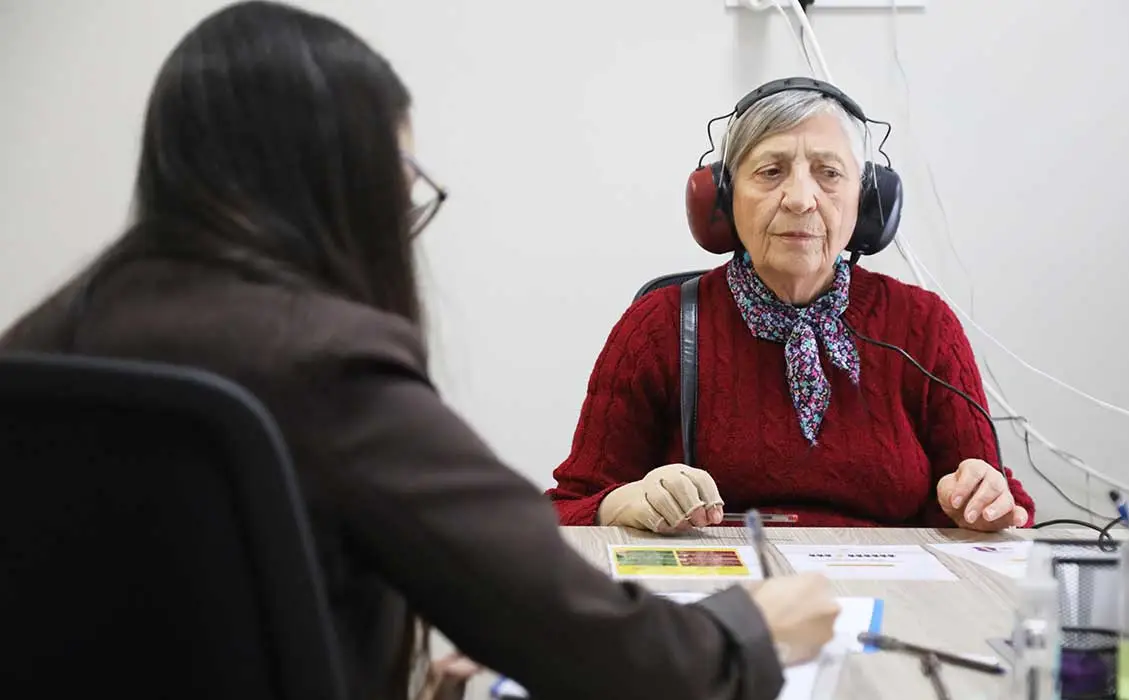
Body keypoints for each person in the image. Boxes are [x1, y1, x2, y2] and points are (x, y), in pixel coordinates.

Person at [0, 3, 846, 699]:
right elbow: (576, 631)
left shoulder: (35, 343)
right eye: (401, 186)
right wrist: (750, 630)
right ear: (340, 185)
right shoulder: (326, 369)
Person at [546, 80, 1037, 534]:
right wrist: (626, 502)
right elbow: (567, 508)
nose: (801, 199)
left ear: (867, 202)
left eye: (829, 174)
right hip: (720, 590)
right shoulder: (659, 326)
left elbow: (1000, 505)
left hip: (888, 593)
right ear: (723, 198)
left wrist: (983, 502)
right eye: (771, 172)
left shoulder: (924, 325)